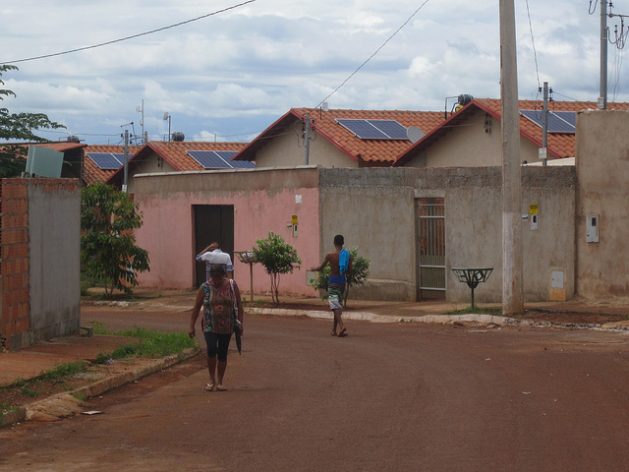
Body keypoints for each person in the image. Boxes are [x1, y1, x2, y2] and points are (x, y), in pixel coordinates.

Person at [189, 263, 244, 391]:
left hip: (227, 325)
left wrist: (241, 324)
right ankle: (211, 379)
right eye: (214, 277)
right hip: (210, 325)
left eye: (218, 277)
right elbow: (196, 308)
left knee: (223, 353)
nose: (216, 280)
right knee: (212, 349)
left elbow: (240, 307)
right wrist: (191, 326)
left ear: (223, 275)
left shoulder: (232, 285)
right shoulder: (205, 287)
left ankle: (220, 381)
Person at [311, 234, 351, 337]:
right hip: (342, 283)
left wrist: (313, 269)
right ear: (343, 243)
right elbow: (350, 270)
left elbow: (321, 268)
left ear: (334, 243)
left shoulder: (330, 256)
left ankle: (342, 326)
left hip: (333, 282)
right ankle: (334, 330)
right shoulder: (347, 255)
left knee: (334, 306)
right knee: (337, 306)